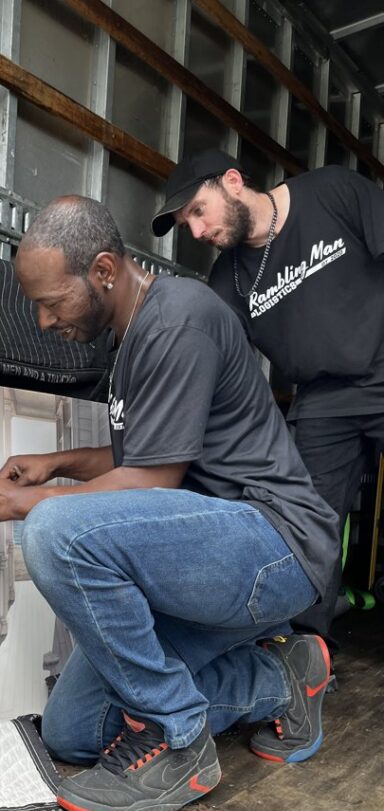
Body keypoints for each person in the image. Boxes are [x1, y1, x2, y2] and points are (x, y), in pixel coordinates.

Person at [0, 195, 338, 811]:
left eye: (52, 302)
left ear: (103, 270)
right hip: (211, 560)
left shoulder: (179, 318)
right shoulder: (131, 340)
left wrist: (17, 502)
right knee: (75, 730)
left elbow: (152, 479)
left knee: (52, 530)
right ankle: (282, 679)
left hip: (274, 545)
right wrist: (60, 462)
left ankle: (177, 739)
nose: (44, 322)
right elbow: (145, 454)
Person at [151, 150, 384, 640]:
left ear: (233, 181)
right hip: (321, 401)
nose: (196, 231)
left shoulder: (332, 191)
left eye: (197, 210)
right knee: (306, 530)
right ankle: (306, 657)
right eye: (185, 222)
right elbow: (213, 363)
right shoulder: (226, 280)